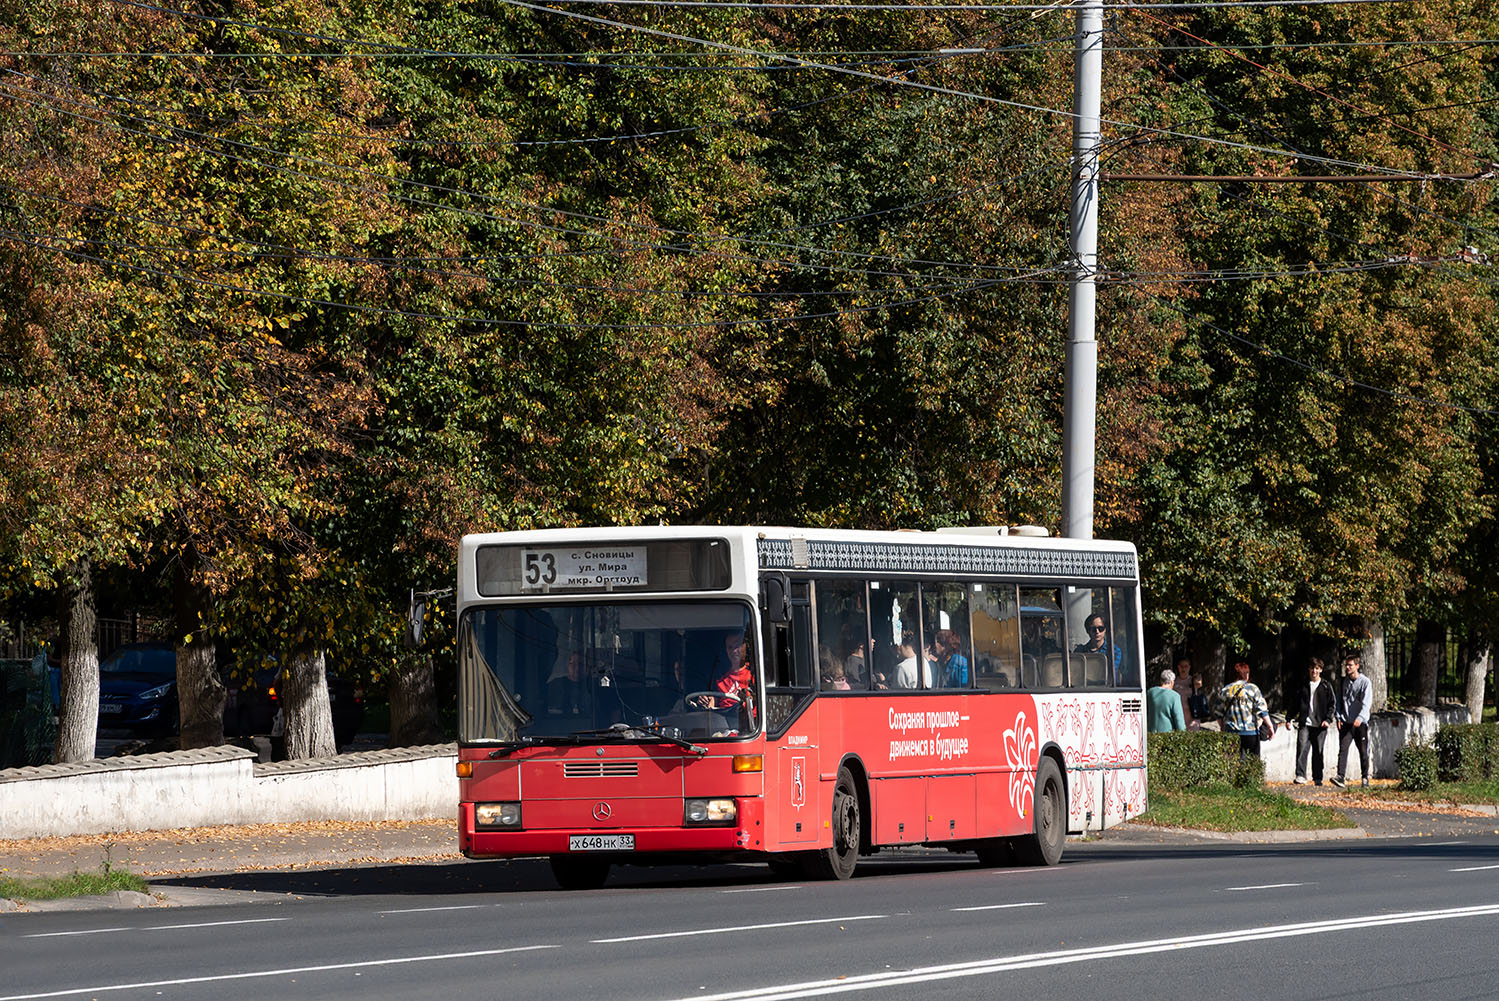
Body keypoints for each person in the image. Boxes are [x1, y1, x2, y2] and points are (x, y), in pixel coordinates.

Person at [1290, 656, 1337, 785]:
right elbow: (1296, 703)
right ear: (1309, 669)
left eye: (1317, 668)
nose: (1314, 671)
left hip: (1321, 724)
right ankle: (1300, 775)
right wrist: (1289, 718)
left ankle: (1317, 777)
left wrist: (1328, 719)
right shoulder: (1303, 685)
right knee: (1302, 749)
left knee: (1318, 751)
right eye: (1312, 668)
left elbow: (1332, 704)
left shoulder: (1326, 686)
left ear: (1321, 670)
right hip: (1305, 722)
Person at [1333, 652, 1373, 789]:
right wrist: (1338, 717)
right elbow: (1339, 700)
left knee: (1363, 751)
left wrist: (1360, 717)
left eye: (1350, 665)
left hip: (1359, 723)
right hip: (1346, 721)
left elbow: (1367, 703)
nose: (1347, 668)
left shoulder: (1365, 682)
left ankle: (1365, 777)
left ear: (1357, 666)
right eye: (1346, 665)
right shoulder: (1343, 682)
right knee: (1343, 749)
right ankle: (1340, 776)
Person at [1218, 659, 1271, 759]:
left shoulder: (1225, 690)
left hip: (1231, 732)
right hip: (1250, 732)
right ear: (1246, 675)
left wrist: (1222, 727)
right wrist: (1270, 726)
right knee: (1252, 762)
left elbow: (1218, 712)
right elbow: (1262, 710)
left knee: (1233, 762)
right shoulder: (1253, 688)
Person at [1074, 614, 1124, 679]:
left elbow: (1110, 673)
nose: (1097, 632)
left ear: (1105, 629)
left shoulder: (1114, 650)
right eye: (1093, 629)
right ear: (1088, 631)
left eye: (1100, 628)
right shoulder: (1080, 652)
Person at [1147, 668, 1186, 733]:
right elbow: (1179, 720)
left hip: (1151, 734)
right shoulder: (1175, 696)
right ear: (1172, 682)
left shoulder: (1150, 692)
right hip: (1167, 735)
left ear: (1161, 680)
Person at [1172, 658, 1199, 728]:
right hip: (1178, 714)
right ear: (1178, 667)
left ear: (1189, 667)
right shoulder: (1174, 682)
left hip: (1192, 715)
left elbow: (1199, 684)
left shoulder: (1194, 680)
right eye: (1181, 666)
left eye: (1186, 666)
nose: (1183, 669)